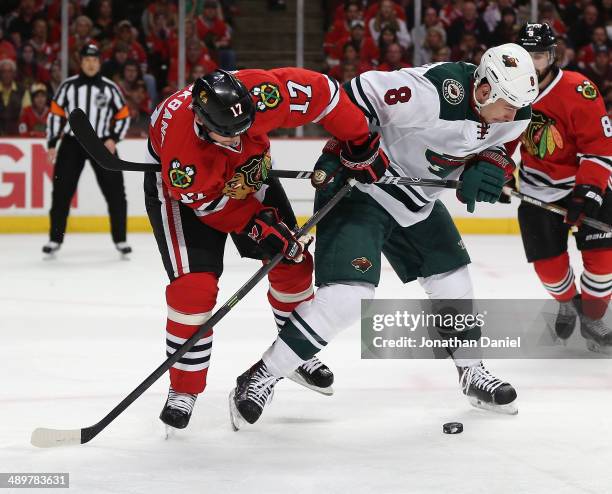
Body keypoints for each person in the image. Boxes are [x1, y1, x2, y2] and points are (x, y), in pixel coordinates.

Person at [229, 43, 539, 429]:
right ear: (484, 89)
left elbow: (501, 145)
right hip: (362, 189)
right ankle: (261, 376)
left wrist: (491, 166)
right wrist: (347, 148)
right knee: (348, 296)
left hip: (415, 199)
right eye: (508, 103)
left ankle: (472, 372)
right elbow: (353, 97)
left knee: (453, 280)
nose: (515, 112)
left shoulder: (518, 111)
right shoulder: (431, 91)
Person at [144, 68, 387, 430]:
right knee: (193, 291)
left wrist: (359, 139)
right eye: (228, 134)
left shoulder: (263, 94)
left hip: (248, 172)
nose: (238, 138)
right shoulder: (185, 160)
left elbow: (324, 94)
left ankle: (294, 354)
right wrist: (257, 225)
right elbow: (209, 206)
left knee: (294, 263)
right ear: (201, 120)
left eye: (244, 128)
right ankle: (184, 389)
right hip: (189, 199)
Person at [512, 23, 612, 353]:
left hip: (583, 185)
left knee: (604, 262)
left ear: (552, 56)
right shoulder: (506, 89)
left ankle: (594, 318)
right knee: (549, 270)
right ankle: (568, 303)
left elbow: (598, 148)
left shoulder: (578, 90)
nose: (532, 63)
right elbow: (496, 138)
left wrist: (587, 192)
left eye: (538, 55)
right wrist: (494, 170)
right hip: (537, 191)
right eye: (526, 55)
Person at [44, 44, 132, 257]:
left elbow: (123, 115)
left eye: (94, 60)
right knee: (61, 193)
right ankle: (55, 239)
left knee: (116, 193)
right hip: (72, 144)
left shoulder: (110, 88)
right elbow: (56, 114)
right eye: (86, 60)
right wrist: (52, 143)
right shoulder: (68, 86)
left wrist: (113, 138)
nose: (91, 64)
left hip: (101, 143)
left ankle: (120, 240)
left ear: (99, 62)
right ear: (80, 62)